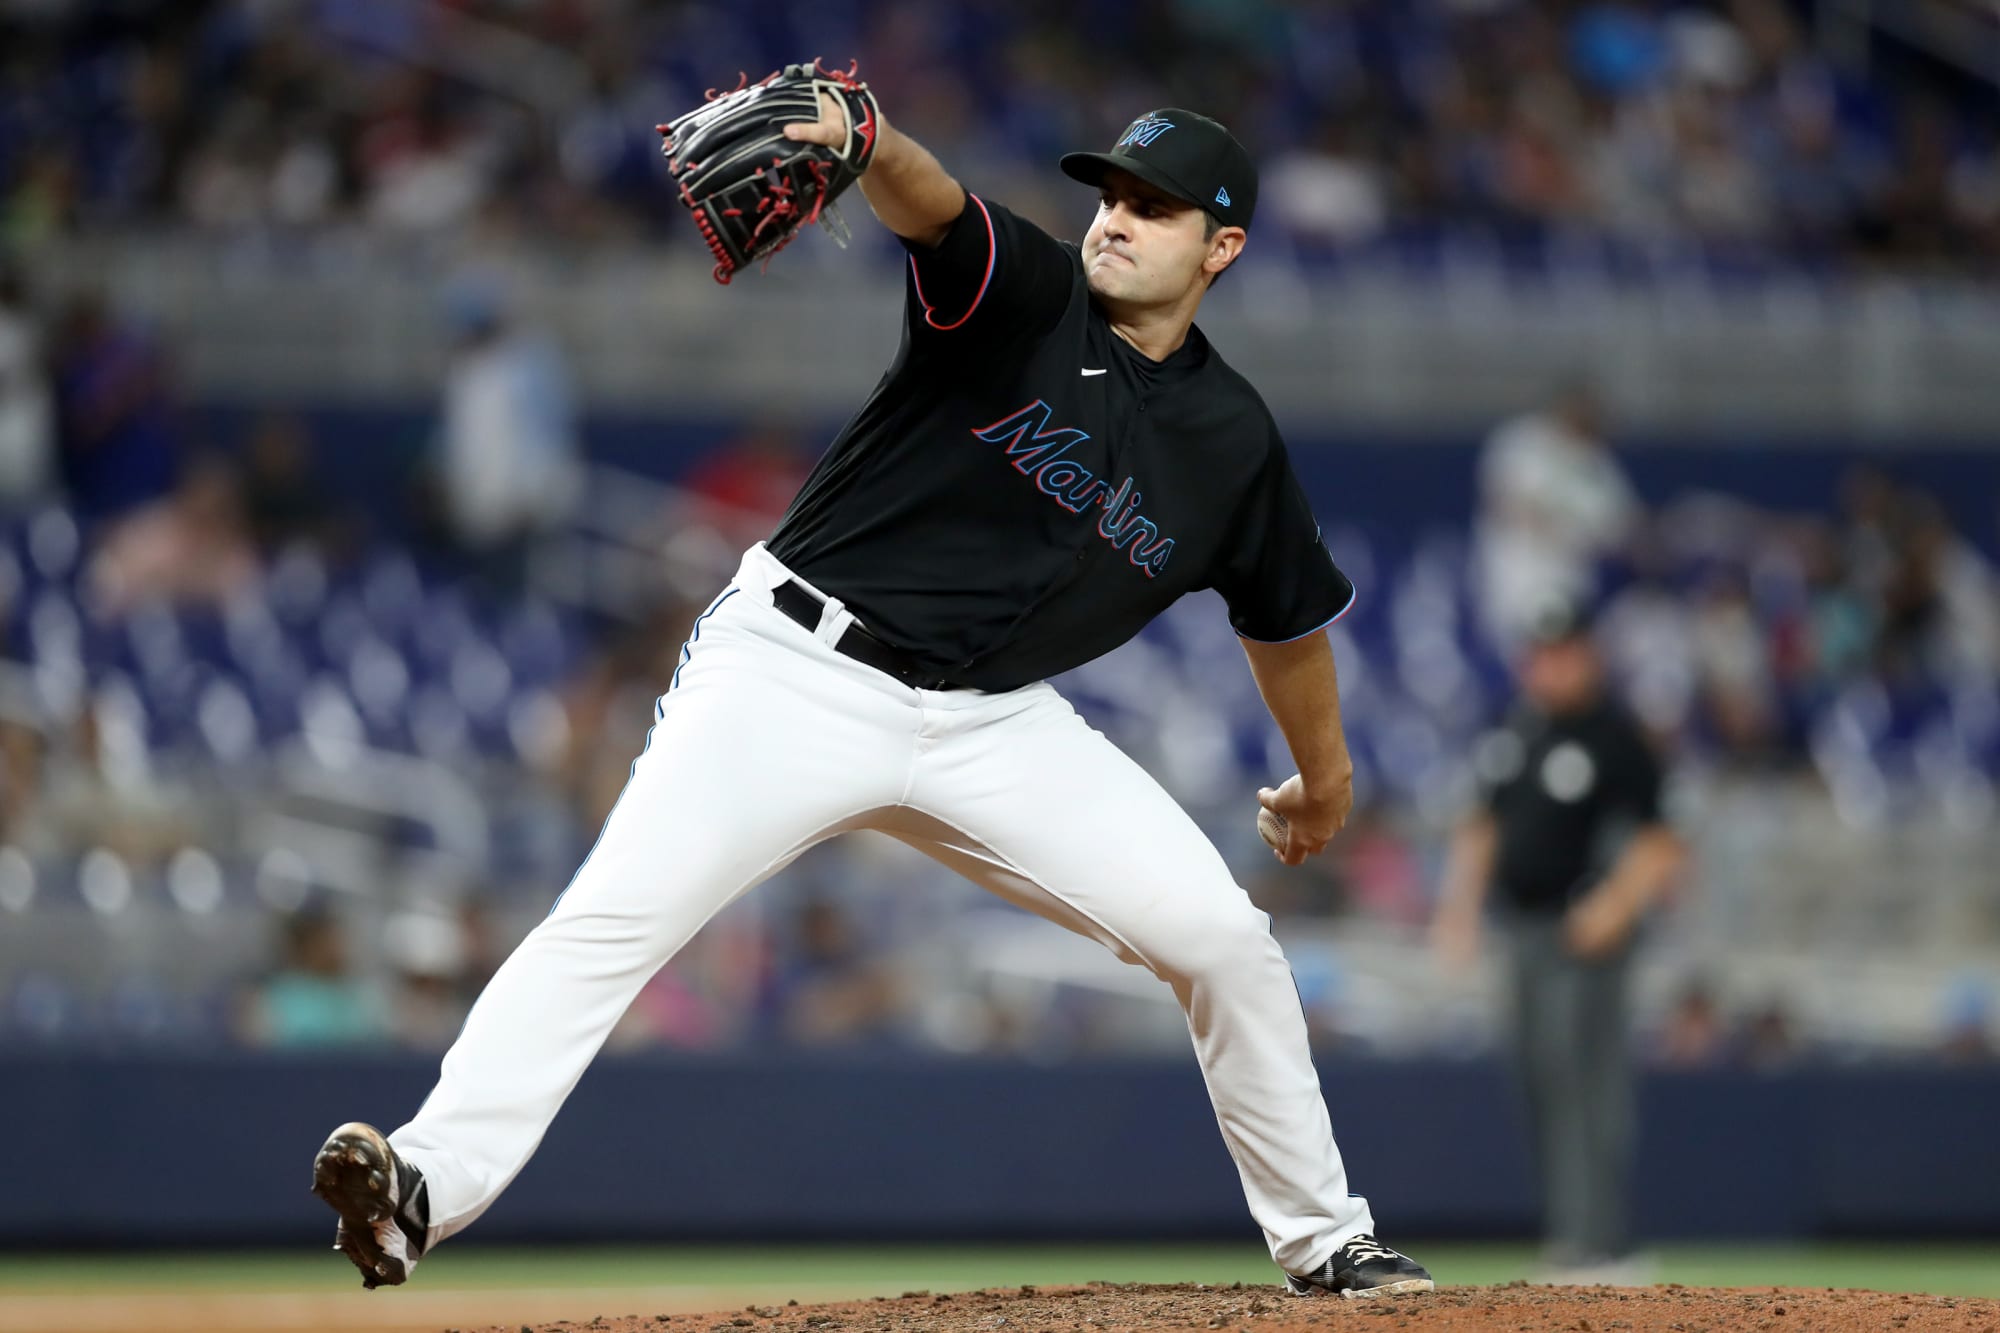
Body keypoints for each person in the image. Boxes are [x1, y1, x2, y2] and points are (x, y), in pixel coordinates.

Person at [310, 86, 1433, 1301]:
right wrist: (870, 142)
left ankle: (1327, 1240)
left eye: (1151, 207)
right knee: (616, 916)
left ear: (1222, 247)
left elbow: (1284, 622)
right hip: (795, 671)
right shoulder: (1028, 297)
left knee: (1223, 941)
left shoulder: (1232, 442)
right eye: (1107, 193)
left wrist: (1325, 779)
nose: (1113, 219)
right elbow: (937, 208)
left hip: (990, 721)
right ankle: (419, 1182)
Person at [1431, 602, 1686, 1283]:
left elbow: (1661, 837)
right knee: (1537, 1078)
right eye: (1539, 654)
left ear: (1587, 656)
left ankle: (1599, 1242)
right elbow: (1481, 823)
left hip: (1587, 934)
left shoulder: (1614, 736)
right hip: (1523, 930)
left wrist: (1617, 902)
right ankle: (1566, 1235)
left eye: (1562, 652)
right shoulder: (1517, 732)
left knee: (1586, 1081)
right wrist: (1458, 910)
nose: (1548, 667)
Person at [1474, 383, 1640, 655]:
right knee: (1518, 659)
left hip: (1570, 587)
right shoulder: (1522, 440)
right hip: (1516, 581)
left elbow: (1623, 530)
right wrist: (1573, 528)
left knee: (1563, 666)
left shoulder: (1599, 464)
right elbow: (1509, 506)